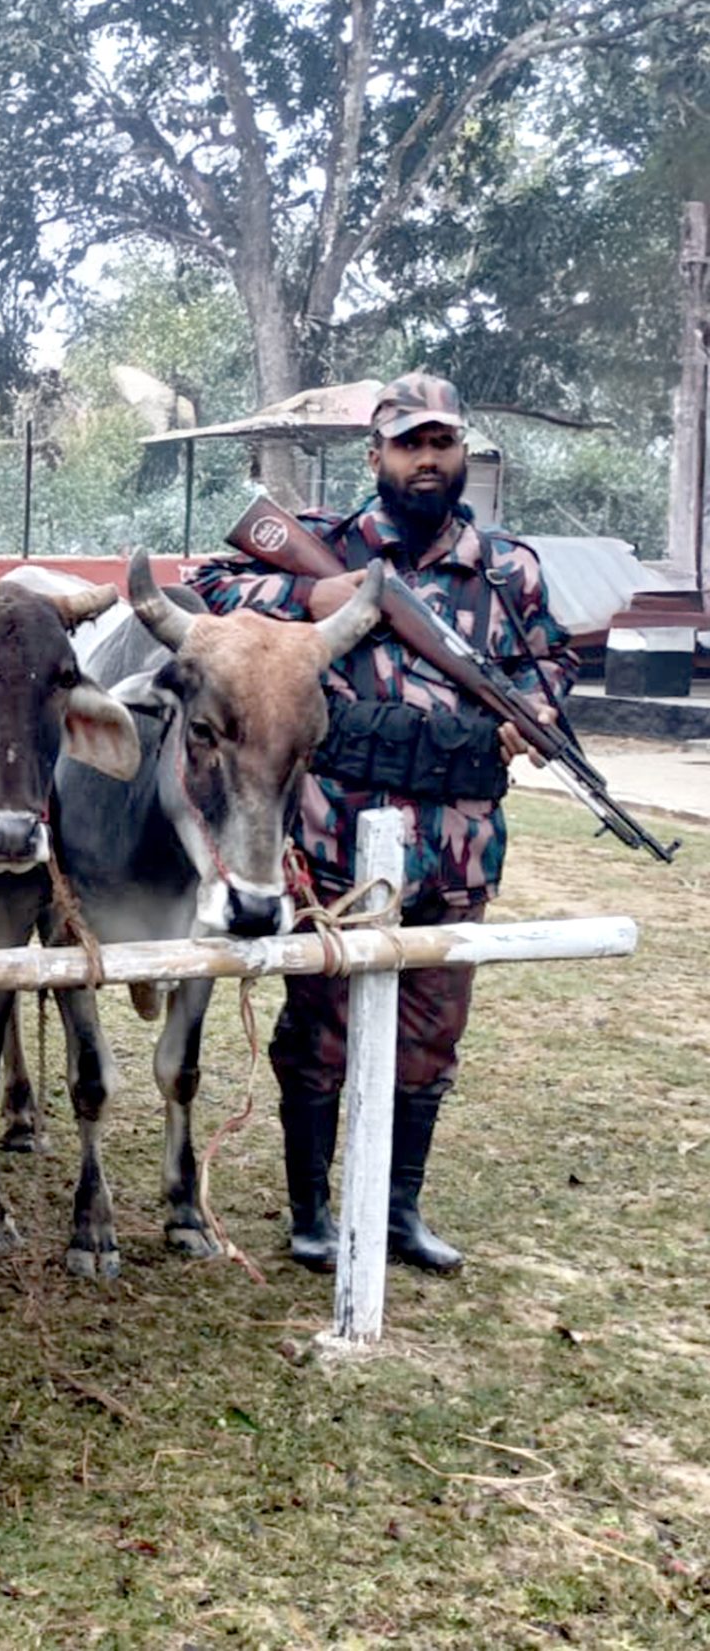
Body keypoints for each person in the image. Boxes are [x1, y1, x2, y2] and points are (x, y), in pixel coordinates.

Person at [190, 371, 575, 1275]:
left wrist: (536, 713)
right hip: (338, 840)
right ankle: (313, 1213)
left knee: (430, 1039)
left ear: (463, 452)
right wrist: (313, 600)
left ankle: (398, 1211)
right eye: (409, 444)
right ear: (376, 456)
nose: (427, 459)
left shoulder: (508, 568)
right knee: (318, 1036)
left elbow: (551, 661)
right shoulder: (325, 545)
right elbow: (208, 586)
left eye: (442, 442)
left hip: (457, 846)